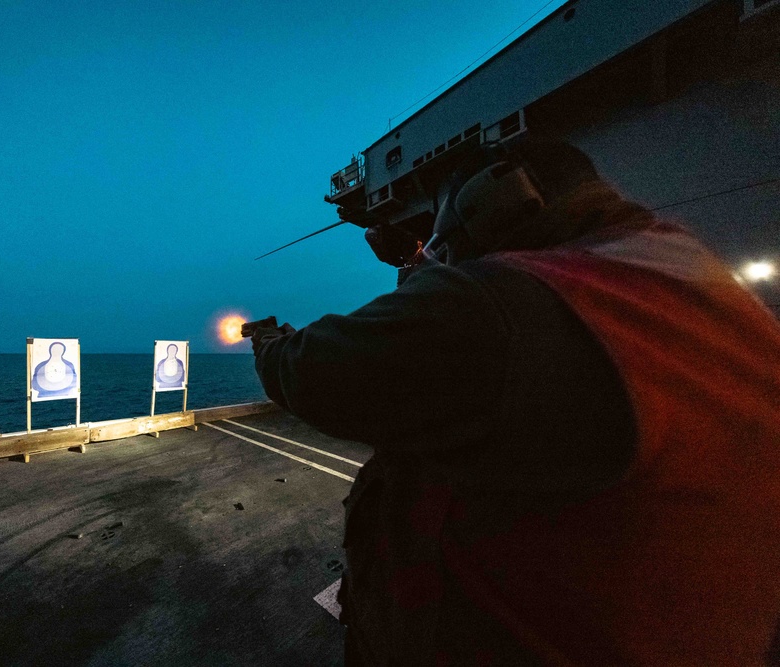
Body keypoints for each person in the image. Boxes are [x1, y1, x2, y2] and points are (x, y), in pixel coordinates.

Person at [251, 139, 780, 665]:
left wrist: (270, 345)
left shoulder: (512, 301)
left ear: (495, 202)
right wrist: (417, 259)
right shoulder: (685, 277)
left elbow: (316, 372)